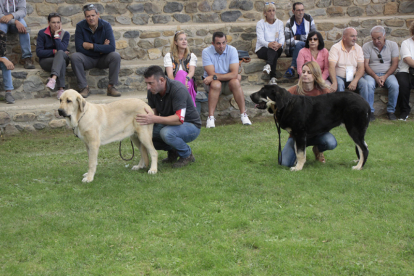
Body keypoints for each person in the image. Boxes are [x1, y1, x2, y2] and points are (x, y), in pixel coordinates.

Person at [135, 65, 201, 168]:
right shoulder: (152, 91)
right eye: (146, 83)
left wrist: (154, 118)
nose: (148, 87)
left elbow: (179, 119)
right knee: (145, 134)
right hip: (169, 124)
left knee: (166, 133)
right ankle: (173, 151)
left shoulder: (178, 89)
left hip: (191, 125)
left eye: (150, 83)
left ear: (161, 80)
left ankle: (187, 154)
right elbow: (154, 114)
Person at [280, 61, 337, 167]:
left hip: (318, 133)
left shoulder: (324, 92)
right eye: (304, 72)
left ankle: (317, 149)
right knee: (284, 163)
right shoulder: (292, 92)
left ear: (316, 75)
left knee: (331, 142)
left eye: (309, 72)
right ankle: (299, 149)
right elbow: (282, 111)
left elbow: (332, 112)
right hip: (296, 135)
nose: (305, 74)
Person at [202, 31, 252, 128]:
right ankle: (211, 117)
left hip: (227, 83)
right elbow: (211, 74)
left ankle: (243, 114)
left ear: (226, 41)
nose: (221, 46)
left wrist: (215, 76)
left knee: (235, 82)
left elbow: (234, 74)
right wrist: (215, 77)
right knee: (216, 84)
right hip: (212, 84)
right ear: (213, 44)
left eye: (223, 42)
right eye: (218, 43)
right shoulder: (206, 52)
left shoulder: (232, 50)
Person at [71, 4, 121, 98]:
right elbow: (79, 48)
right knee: (75, 57)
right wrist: (102, 49)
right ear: (85, 17)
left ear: (98, 14)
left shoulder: (106, 25)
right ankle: (84, 87)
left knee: (115, 56)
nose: (91, 18)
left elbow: (111, 48)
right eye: (88, 16)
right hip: (87, 59)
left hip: (103, 59)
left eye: (93, 15)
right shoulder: (80, 26)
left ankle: (111, 87)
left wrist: (92, 46)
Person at [328, 28, 370, 118]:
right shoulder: (335, 48)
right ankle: (341, 114)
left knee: (364, 83)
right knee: (339, 84)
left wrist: (355, 81)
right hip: (339, 76)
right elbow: (331, 67)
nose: (355, 38)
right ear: (344, 37)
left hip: (353, 76)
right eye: (352, 36)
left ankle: (365, 112)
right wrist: (334, 82)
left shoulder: (358, 48)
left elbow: (361, 68)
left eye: (355, 36)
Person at [362, 26, 399, 121]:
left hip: (388, 73)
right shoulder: (366, 46)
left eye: (379, 38)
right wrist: (375, 77)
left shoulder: (393, 45)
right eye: (373, 38)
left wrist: (385, 76)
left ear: (384, 35)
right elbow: (366, 65)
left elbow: (395, 64)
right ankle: (370, 111)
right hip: (371, 74)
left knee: (395, 85)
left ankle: (391, 111)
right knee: (368, 84)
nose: (376, 41)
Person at [36, 13, 70, 100]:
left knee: (60, 54)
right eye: (53, 22)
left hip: (61, 58)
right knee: (60, 57)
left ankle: (53, 79)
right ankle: (61, 89)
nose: (56, 25)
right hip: (46, 61)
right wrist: (54, 51)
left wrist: (56, 35)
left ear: (61, 23)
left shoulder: (65, 34)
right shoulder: (42, 33)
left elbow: (61, 49)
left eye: (58, 22)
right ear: (48, 23)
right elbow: (39, 52)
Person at [283, 2, 316, 79]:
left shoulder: (309, 18)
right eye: (298, 10)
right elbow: (289, 42)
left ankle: (292, 68)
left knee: (300, 46)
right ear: (293, 11)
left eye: (302, 10)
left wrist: (297, 37)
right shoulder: (289, 23)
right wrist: (306, 40)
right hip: (292, 49)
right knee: (299, 46)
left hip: (308, 47)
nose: (301, 12)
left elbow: (313, 36)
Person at [164, 30, 197, 106]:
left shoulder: (191, 56)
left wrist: (186, 80)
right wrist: (179, 86)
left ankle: (179, 106)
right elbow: (170, 75)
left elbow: (191, 72)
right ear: (176, 42)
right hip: (174, 82)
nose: (184, 41)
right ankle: (188, 107)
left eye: (185, 39)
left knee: (183, 76)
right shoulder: (169, 56)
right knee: (180, 73)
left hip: (188, 81)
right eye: (181, 39)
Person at [255, 2, 284, 85]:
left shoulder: (279, 23)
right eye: (269, 11)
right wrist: (269, 44)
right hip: (262, 48)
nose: (272, 13)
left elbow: (282, 37)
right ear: (265, 13)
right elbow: (260, 39)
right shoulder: (260, 23)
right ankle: (272, 78)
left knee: (274, 50)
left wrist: (280, 44)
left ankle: (268, 65)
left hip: (277, 47)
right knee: (272, 51)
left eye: (273, 10)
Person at [0, 0, 34, 69]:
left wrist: (12, 16)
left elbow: (23, 11)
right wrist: (14, 21)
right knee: (1, 29)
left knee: (24, 28)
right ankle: (1, 58)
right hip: (2, 20)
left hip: (16, 18)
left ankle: (27, 57)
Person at [395, 21, 414, 121]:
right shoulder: (406, 43)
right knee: (403, 84)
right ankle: (404, 111)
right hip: (406, 71)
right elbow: (408, 60)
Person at [0, 30, 14, 104]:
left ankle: (8, 92)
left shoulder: (1, 34)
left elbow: (1, 54)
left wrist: (3, 59)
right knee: (4, 60)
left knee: (5, 62)